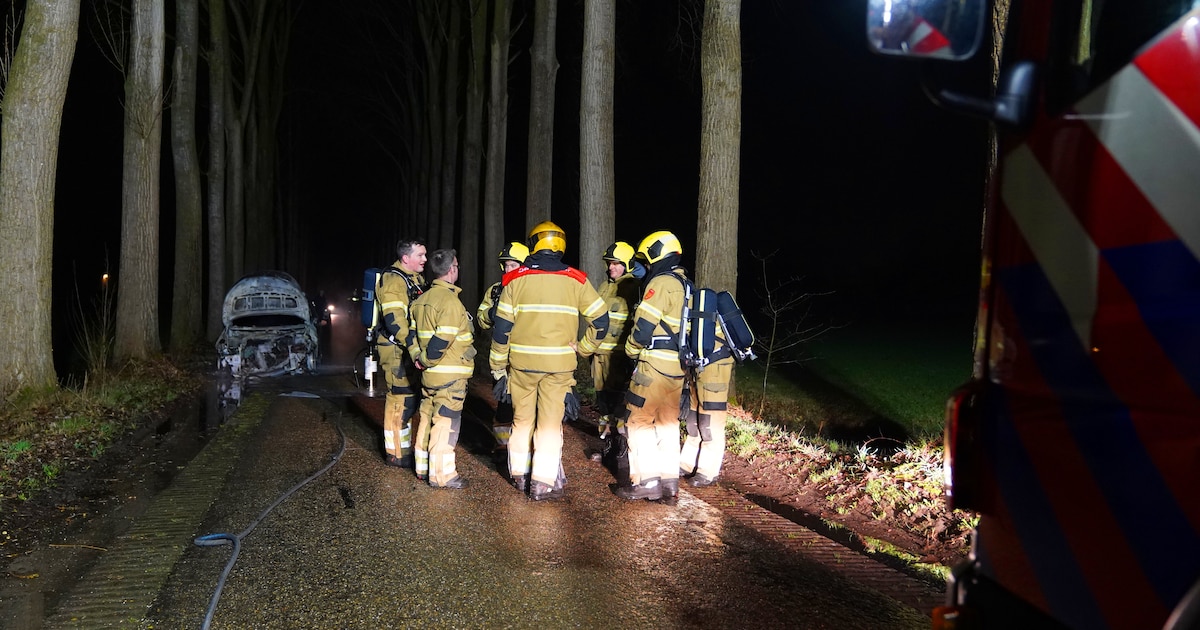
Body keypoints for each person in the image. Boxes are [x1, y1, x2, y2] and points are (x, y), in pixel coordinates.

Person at [490, 220, 609, 500]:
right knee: (549, 425)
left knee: (521, 422)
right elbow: (601, 320)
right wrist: (584, 347)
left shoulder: (514, 280)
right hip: (558, 368)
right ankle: (541, 483)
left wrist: (497, 366)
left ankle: (519, 476)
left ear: (534, 244)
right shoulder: (577, 280)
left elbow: (501, 329)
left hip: (521, 367)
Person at [616, 231, 689, 502]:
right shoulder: (685, 285)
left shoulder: (660, 282)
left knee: (638, 420)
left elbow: (644, 325)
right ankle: (669, 483)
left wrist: (631, 350)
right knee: (668, 423)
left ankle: (646, 481)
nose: (645, 266)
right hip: (677, 368)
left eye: (646, 260)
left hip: (653, 365)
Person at [409, 249, 475, 488]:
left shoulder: (420, 301)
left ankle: (422, 468)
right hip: (449, 376)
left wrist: (417, 357)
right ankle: (442, 476)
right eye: (456, 265)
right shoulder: (450, 302)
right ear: (451, 270)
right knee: (445, 423)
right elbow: (441, 342)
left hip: (428, 377)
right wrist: (426, 359)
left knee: (426, 419)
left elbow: (411, 335)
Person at [376, 238, 427, 469]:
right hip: (396, 349)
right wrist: (413, 346)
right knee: (400, 397)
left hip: (408, 347)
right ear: (406, 258)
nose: (425, 259)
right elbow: (395, 320)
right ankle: (396, 453)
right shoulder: (393, 280)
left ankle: (403, 448)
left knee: (411, 398)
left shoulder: (415, 278)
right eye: (420, 255)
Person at [586, 242, 643, 440]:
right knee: (602, 396)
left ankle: (620, 439)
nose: (611, 267)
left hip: (619, 355)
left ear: (627, 264)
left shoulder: (633, 287)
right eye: (609, 263)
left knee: (619, 397)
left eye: (616, 263)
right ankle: (604, 435)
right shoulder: (604, 286)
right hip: (599, 353)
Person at [476, 242, 529, 450]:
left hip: (525, 358)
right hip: (502, 359)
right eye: (505, 265)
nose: (508, 270)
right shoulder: (496, 290)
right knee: (504, 406)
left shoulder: (531, 290)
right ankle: (502, 447)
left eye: (513, 265)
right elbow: (481, 318)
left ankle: (524, 449)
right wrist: (492, 313)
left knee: (526, 407)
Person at [679, 345, 735, 488]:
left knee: (709, 423)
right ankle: (688, 463)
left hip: (715, 366)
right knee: (693, 423)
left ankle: (708, 471)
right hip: (696, 366)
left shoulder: (722, 322)